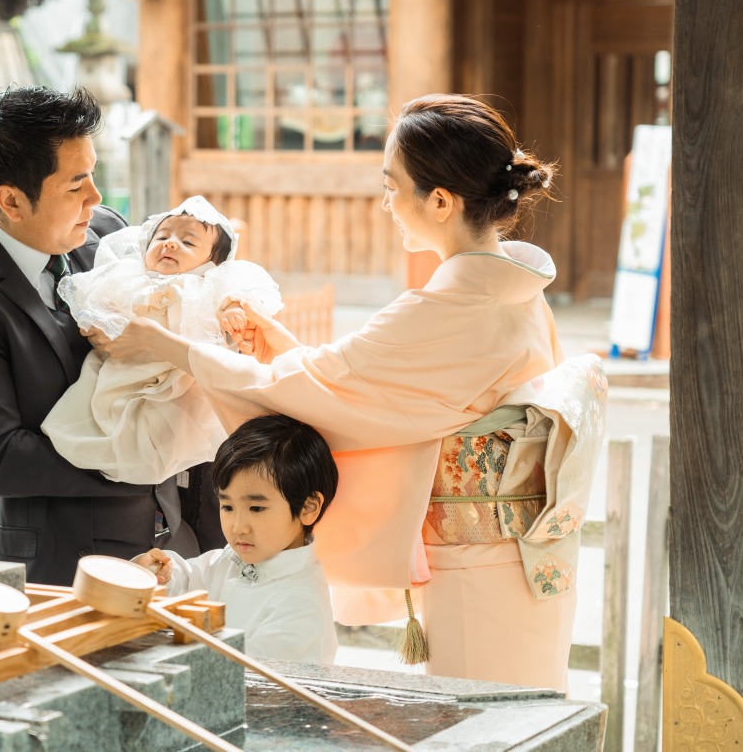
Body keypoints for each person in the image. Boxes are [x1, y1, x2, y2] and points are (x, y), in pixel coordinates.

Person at [90, 94, 606, 690]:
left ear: (440, 201)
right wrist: (283, 348)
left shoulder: (454, 304)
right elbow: (359, 384)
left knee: (481, 717)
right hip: (516, 555)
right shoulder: (509, 287)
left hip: (481, 563)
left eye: (392, 186)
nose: (386, 203)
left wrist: (168, 345)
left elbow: (333, 388)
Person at [0, 85, 223, 586]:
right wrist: (139, 461)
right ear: (12, 200)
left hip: (181, 537)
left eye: (94, 174)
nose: (95, 198)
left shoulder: (108, 235)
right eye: (76, 185)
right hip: (65, 563)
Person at [41, 195, 282, 485]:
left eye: (188, 242)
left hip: (178, 379)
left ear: (212, 262)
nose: (170, 244)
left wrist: (232, 311)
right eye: (162, 237)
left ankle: (146, 463)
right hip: (126, 372)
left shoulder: (207, 285)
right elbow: (95, 307)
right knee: (101, 411)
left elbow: (233, 299)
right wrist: (100, 321)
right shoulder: (128, 277)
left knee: (167, 431)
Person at [133, 414, 339, 664]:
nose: (238, 527)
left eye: (256, 508)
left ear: (308, 508)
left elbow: (239, 672)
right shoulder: (233, 560)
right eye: (228, 507)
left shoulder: (301, 605)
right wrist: (158, 573)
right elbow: (189, 578)